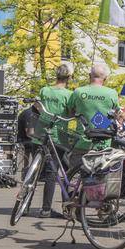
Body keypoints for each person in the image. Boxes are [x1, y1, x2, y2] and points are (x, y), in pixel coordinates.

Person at [35, 62, 74, 218]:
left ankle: (42, 207)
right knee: (64, 171)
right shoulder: (69, 95)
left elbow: (37, 106)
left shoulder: (45, 90)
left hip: (42, 133)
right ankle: (61, 208)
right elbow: (71, 113)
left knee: (45, 171)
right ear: (69, 77)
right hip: (60, 136)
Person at [64, 63, 119, 168]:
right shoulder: (112, 93)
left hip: (81, 142)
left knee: (75, 177)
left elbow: (69, 112)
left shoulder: (78, 92)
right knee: (100, 179)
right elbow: (115, 115)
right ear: (105, 78)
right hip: (103, 143)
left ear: (89, 76)